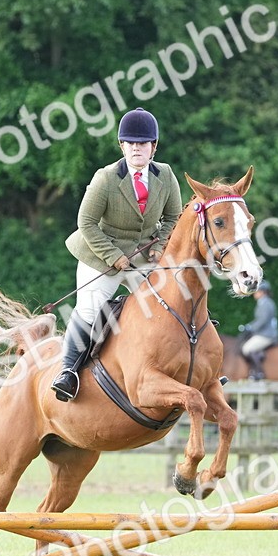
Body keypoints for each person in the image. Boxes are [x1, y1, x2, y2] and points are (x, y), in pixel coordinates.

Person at [50, 107, 183, 401]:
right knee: (90, 307)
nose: (137, 148)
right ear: (122, 146)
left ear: (153, 146)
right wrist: (113, 257)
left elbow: (174, 216)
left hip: (143, 253)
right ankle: (68, 372)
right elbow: (85, 223)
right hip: (101, 252)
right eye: (131, 143)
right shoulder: (106, 178)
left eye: (143, 143)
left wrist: (159, 247)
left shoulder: (166, 175)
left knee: (172, 299)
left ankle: (189, 363)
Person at [239, 281, 278, 380]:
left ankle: (259, 372)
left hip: (266, 335)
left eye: (256, 291)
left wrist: (249, 327)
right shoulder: (265, 302)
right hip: (265, 333)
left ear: (263, 292)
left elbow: (262, 320)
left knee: (247, 348)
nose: (254, 294)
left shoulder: (265, 303)